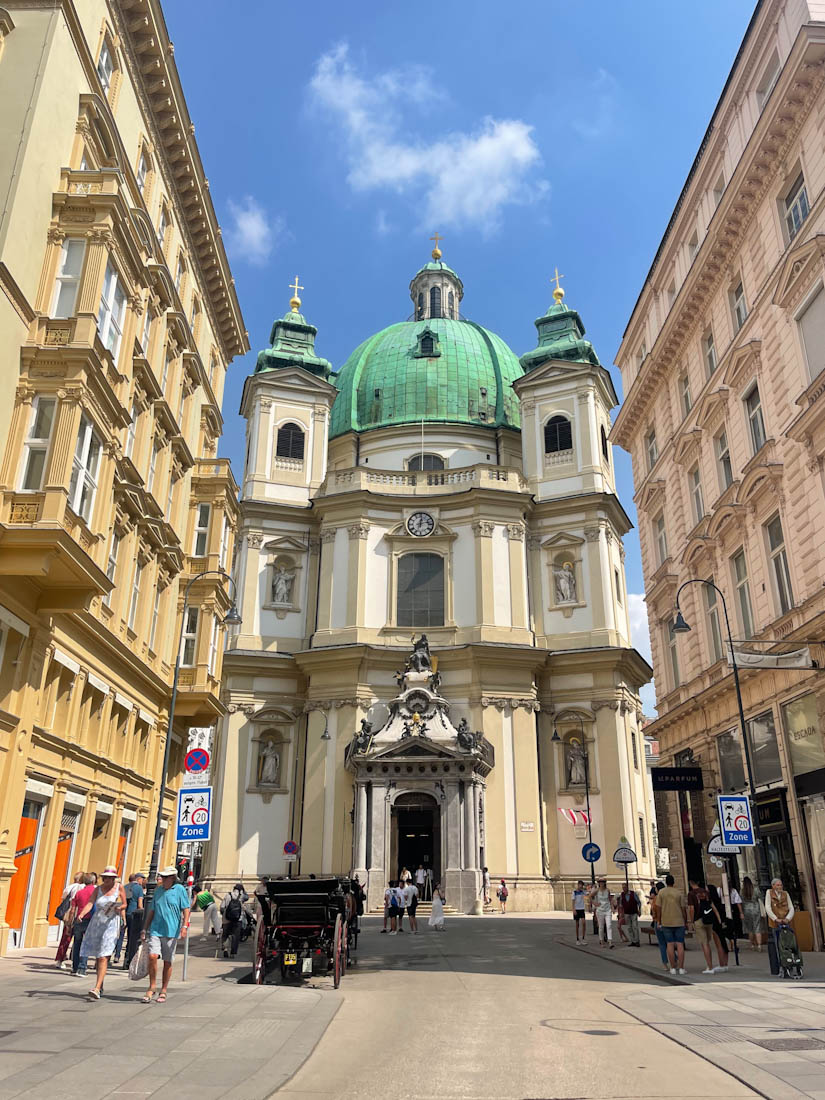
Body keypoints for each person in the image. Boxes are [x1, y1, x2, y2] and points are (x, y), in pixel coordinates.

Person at [141, 866, 191, 1003]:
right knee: (152, 956)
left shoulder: (179, 890)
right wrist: (144, 928)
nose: (162, 879)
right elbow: (152, 911)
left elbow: (186, 909)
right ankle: (152, 987)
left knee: (167, 961)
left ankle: (164, 989)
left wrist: (185, 926)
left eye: (165, 877)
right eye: (161, 877)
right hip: (156, 929)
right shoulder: (158, 891)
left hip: (171, 930)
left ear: (172, 878)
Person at [77, 867, 126, 1000]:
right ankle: (101, 984)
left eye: (110, 878)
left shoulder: (119, 888)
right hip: (97, 923)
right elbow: (90, 903)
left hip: (111, 924)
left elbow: (124, 904)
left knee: (104, 956)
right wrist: (81, 914)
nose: (107, 880)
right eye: (105, 877)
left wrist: (118, 907)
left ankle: (97, 988)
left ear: (113, 878)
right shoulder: (97, 889)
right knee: (99, 957)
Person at [656, 873, 687, 975]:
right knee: (680, 944)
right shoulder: (678, 893)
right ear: (673, 882)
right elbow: (683, 909)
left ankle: (673, 968)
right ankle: (681, 968)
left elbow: (658, 908)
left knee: (669, 944)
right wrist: (685, 921)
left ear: (666, 882)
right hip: (679, 921)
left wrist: (659, 921)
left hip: (666, 922)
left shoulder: (661, 893)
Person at [687, 879, 719, 975]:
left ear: (690, 882)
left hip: (698, 919)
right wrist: (718, 918)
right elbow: (712, 905)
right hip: (708, 919)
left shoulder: (691, 894)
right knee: (708, 943)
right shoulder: (706, 892)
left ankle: (709, 966)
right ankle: (710, 965)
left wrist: (691, 921)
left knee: (704, 944)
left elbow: (691, 909)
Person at [55, 872, 84, 969]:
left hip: (68, 915)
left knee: (66, 937)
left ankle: (60, 959)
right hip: (77, 913)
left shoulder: (70, 887)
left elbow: (63, 898)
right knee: (79, 938)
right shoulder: (82, 887)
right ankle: (75, 960)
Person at [70, 873, 97, 976]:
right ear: (93, 881)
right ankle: (82, 968)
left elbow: (73, 909)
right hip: (90, 920)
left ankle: (74, 967)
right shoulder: (95, 892)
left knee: (77, 943)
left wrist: (70, 922)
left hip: (79, 919)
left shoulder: (79, 893)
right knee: (86, 944)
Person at [765, 876, 795, 953]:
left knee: (787, 939)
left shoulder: (785, 894)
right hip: (775, 921)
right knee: (777, 939)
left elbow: (791, 907)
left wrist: (788, 918)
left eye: (781, 885)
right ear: (773, 886)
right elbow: (768, 907)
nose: (780, 887)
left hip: (785, 920)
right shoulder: (769, 893)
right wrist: (775, 918)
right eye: (778, 885)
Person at [122, 872, 146, 968]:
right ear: (139, 879)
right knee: (132, 938)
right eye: (142, 879)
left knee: (121, 937)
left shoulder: (125, 886)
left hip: (124, 913)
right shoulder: (139, 888)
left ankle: (118, 956)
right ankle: (128, 960)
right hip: (134, 914)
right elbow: (140, 904)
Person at [220, 882, 248, 958]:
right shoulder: (242, 896)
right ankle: (233, 953)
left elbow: (222, 907)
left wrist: (223, 915)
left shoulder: (228, 895)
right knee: (235, 936)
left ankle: (225, 949)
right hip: (238, 919)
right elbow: (247, 897)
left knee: (225, 934)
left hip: (227, 918)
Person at [707, 884, 729, 971]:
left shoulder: (711, 902)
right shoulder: (719, 901)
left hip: (716, 924)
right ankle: (725, 964)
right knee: (723, 943)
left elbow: (715, 913)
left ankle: (722, 964)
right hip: (722, 924)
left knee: (719, 944)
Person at [741, 875, 765, 951]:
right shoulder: (755, 889)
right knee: (757, 927)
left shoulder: (742, 890)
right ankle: (759, 945)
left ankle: (752, 944)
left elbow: (741, 900)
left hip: (746, 909)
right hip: (756, 909)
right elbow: (760, 897)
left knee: (750, 929)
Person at [649, 882, 669, 970]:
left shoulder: (656, 899)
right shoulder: (667, 897)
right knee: (670, 943)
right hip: (668, 921)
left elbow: (653, 912)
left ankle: (665, 964)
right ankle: (675, 960)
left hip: (658, 922)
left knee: (662, 944)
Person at [593, 878, 616, 948]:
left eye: (603, 882)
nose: (602, 883)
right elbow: (590, 897)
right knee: (601, 926)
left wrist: (612, 908)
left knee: (609, 925)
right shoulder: (597, 890)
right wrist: (595, 903)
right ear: (599, 883)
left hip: (607, 909)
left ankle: (610, 941)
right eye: (600, 882)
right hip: (600, 910)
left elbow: (609, 899)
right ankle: (601, 941)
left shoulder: (607, 890)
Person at [572, 879, 587, 944]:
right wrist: (573, 909)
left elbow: (587, 897)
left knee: (583, 923)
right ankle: (577, 939)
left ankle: (583, 938)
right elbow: (573, 901)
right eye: (580, 885)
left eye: (582, 885)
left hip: (582, 909)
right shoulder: (574, 892)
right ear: (578, 885)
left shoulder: (583, 892)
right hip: (577, 909)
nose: (580, 886)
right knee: (577, 924)